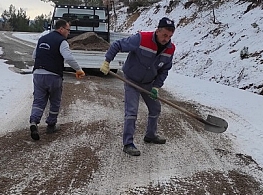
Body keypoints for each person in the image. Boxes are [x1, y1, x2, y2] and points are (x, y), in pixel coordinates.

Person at [100, 17, 176, 156]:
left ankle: (150, 136)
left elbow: (164, 69)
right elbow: (117, 45)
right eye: (165, 35)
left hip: (149, 83)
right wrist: (107, 61)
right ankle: (128, 143)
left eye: (170, 36)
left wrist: (156, 87)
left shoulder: (170, 49)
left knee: (155, 108)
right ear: (158, 31)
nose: (167, 39)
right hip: (132, 81)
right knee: (132, 111)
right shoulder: (141, 39)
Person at [30, 19, 85, 140]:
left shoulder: (42, 39)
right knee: (55, 101)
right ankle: (51, 125)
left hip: (38, 74)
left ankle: (34, 122)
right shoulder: (62, 41)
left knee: (38, 101)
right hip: (53, 76)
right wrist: (78, 69)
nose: (68, 33)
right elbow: (69, 58)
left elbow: (34, 55)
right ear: (61, 29)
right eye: (68, 30)